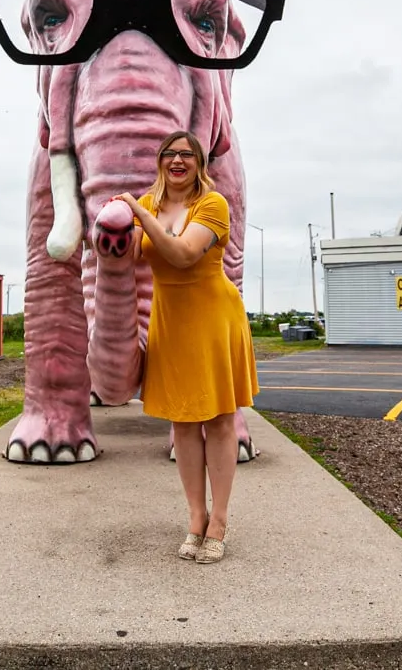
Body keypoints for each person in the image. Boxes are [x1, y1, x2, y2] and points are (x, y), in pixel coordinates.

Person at [115, 130, 259, 564]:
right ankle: (196, 517)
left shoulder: (211, 205)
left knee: (216, 419)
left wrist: (138, 213)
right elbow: (130, 256)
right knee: (181, 421)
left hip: (212, 317)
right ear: (160, 161)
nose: (177, 161)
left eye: (187, 155)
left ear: (200, 164)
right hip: (170, 321)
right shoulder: (152, 204)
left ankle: (220, 520)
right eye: (169, 154)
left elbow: (180, 255)